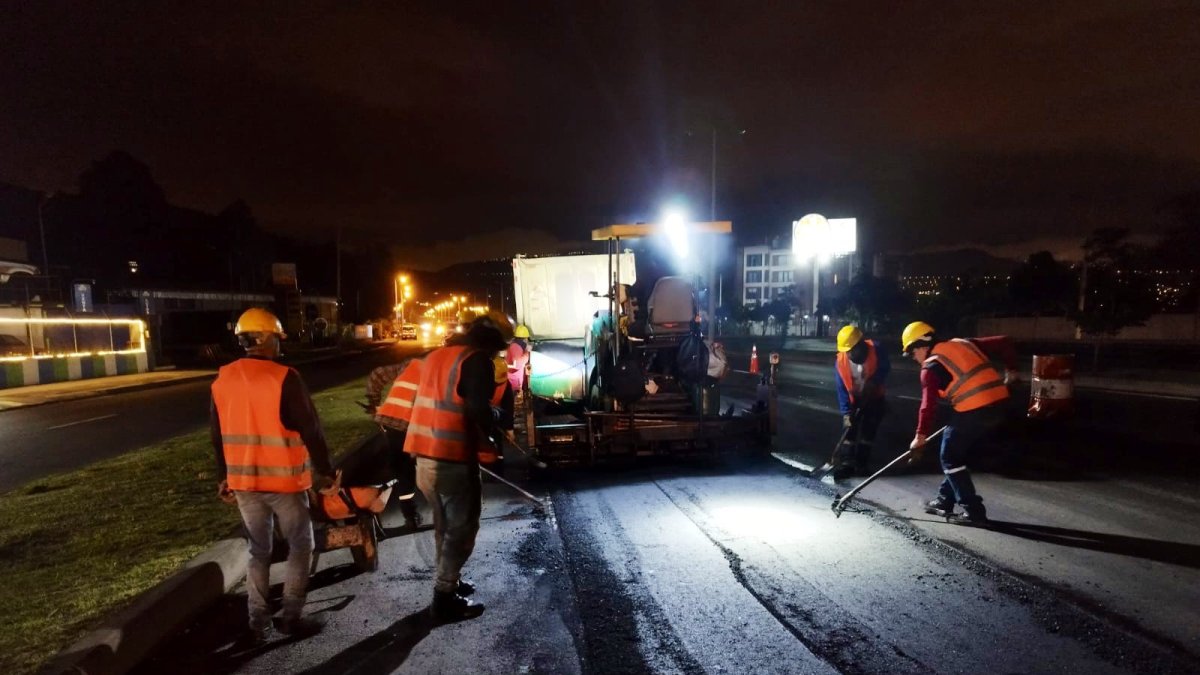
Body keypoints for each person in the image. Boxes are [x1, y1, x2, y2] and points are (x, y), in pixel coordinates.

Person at [210, 308, 339, 642]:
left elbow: (217, 434)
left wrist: (224, 476)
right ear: (265, 338)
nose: (280, 346)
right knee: (301, 544)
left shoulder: (223, 378)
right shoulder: (284, 377)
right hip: (283, 482)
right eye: (278, 339)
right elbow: (311, 429)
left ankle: (257, 622)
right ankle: (291, 617)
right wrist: (326, 470)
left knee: (258, 550)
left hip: (244, 484)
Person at [405, 311, 513, 621]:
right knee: (463, 528)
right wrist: (497, 421)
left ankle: (449, 581)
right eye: (500, 347)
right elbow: (477, 408)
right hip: (450, 457)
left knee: (445, 526)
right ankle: (444, 597)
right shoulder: (475, 360)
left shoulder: (437, 356)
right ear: (490, 340)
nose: (498, 355)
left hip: (424, 455)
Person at [901, 321, 1021, 524]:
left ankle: (973, 511)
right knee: (957, 452)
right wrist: (1012, 371)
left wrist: (919, 437)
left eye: (912, 354)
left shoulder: (930, 368)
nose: (913, 359)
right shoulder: (963, 343)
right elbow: (1005, 342)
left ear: (920, 346)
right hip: (1000, 405)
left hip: (975, 409)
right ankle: (944, 500)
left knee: (949, 456)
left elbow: (928, 406)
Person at [366, 360, 423, 530]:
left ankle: (407, 515)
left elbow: (376, 375)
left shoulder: (411, 365)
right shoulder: (442, 375)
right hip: (410, 426)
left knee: (398, 469)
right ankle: (413, 515)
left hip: (389, 422)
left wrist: (374, 404)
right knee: (408, 469)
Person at [832, 325, 890, 478]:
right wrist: (846, 413)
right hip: (854, 401)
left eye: (852, 350)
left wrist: (874, 381)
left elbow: (885, 367)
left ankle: (861, 464)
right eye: (847, 351)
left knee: (867, 433)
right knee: (849, 432)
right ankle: (846, 464)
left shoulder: (877, 349)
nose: (850, 354)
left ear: (861, 344)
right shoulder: (840, 362)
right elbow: (842, 389)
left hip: (874, 398)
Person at [506, 324, 531, 396]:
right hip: (513, 382)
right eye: (526, 338)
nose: (527, 340)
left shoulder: (514, 345)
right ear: (524, 338)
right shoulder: (516, 347)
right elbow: (517, 364)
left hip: (512, 380)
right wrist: (527, 353)